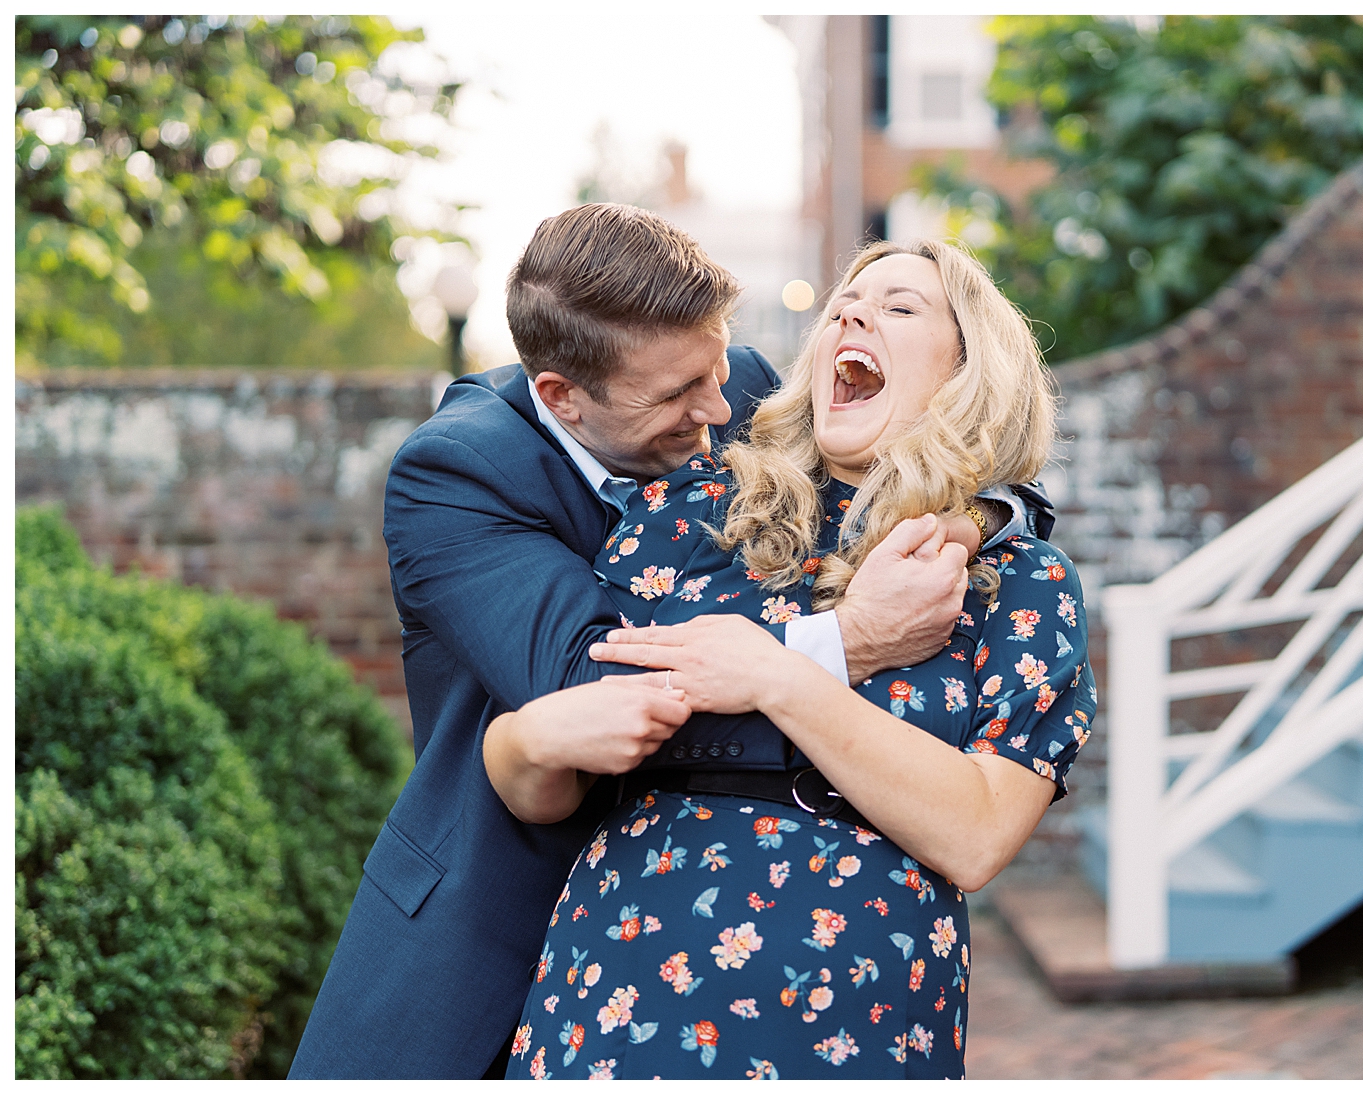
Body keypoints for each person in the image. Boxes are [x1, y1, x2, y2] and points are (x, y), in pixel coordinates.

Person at [288, 205, 1053, 1079]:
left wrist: (975, 519)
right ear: (560, 397)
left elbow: (955, 444)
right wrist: (850, 639)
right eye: (677, 396)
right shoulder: (456, 475)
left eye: (719, 368)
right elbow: (592, 682)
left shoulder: (739, 400)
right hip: (507, 920)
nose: (721, 411)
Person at [487, 240, 1095, 1080]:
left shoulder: (1017, 580)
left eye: (900, 306)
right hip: (626, 990)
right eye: (847, 299)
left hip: (861, 1012)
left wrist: (779, 675)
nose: (851, 310)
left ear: (969, 372)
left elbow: (979, 834)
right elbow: (561, 756)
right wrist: (523, 744)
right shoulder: (691, 515)